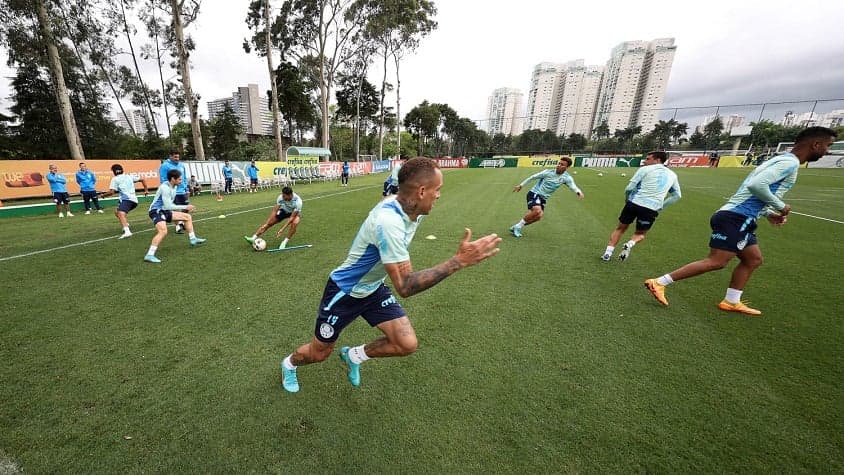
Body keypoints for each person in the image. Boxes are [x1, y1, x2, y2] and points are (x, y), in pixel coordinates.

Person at [279, 157, 501, 393]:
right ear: (422, 191)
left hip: (373, 289)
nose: (439, 195)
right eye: (438, 190)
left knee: (406, 343)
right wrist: (458, 261)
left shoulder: (412, 207)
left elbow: (403, 172)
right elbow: (405, 286)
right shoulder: (388, 222)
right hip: (344, 293)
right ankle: (288, 364)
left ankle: (354, 356)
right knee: (319, 353)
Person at [645, 126, 837, 315]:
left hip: (741, 216)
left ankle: (731, 301)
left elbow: (750, 193)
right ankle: (659, 282)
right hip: (736, 217)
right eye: (827, 146)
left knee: (753, 259)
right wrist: (780, 206)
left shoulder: (780, 160)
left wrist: (768, 213)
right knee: (717, 262)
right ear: (816, 144)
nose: (827, 150)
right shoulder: (790, 163)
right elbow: (756, 185)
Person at [601, 151, 681, 262]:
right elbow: (677, 195)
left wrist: (627, 198)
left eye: (648, 159)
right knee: (640, 234)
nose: (645, 161)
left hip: (634, 203)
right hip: (651, 209)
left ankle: (607, 254)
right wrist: (661, 206)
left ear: (657, 160)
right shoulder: (672, 175)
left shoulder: (644, 169)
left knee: (620, 228)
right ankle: (630, 243)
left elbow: (629, 188)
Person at [509, 156, 583, 237]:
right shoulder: (548, 172)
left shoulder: (567, 178)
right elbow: (533, 177)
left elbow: (573, 186)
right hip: (535, 193)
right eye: (559, 163)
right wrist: (521, 185)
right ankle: (517, 227)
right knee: (537, 210)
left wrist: (578, 192)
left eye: (562, 165)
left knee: (538, 217)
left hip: (543, 198)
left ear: (567, 167)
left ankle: (517, 226)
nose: (559, 165)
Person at [144, 169, 207, 263]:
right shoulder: (165, 188)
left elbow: (169, 205)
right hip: (156, 211)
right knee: (163, 231)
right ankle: (149, 255)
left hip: (165, 211)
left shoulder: (174, 186)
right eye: (179, 179)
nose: (181, 181)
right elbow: (168, 205)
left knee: (187, 217)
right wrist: (186, 206)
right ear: (173, 179)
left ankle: (193, 239)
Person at [101, 164, 149, 239]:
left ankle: (127, 232)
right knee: (117, 212)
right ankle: (125, 224)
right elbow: (142, 179)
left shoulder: (115, 179)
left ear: (114, 171)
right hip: (133, 201)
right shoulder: (129, 176)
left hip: (127, 199)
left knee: (121, 213)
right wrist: (146, 190)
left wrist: (103, 195)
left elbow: (111, 192)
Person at [159, 151, 190, 233]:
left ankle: (181, 221)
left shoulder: (181, 165)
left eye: (178, 157)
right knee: (175, 208)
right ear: (170, 156)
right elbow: (163, 179)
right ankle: (178, 226)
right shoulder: (165, 166)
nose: (177, 159)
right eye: (175, 157)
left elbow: (184, 177)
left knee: (186, 207)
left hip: (182, 191)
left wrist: (186, 188)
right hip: (172, 191)